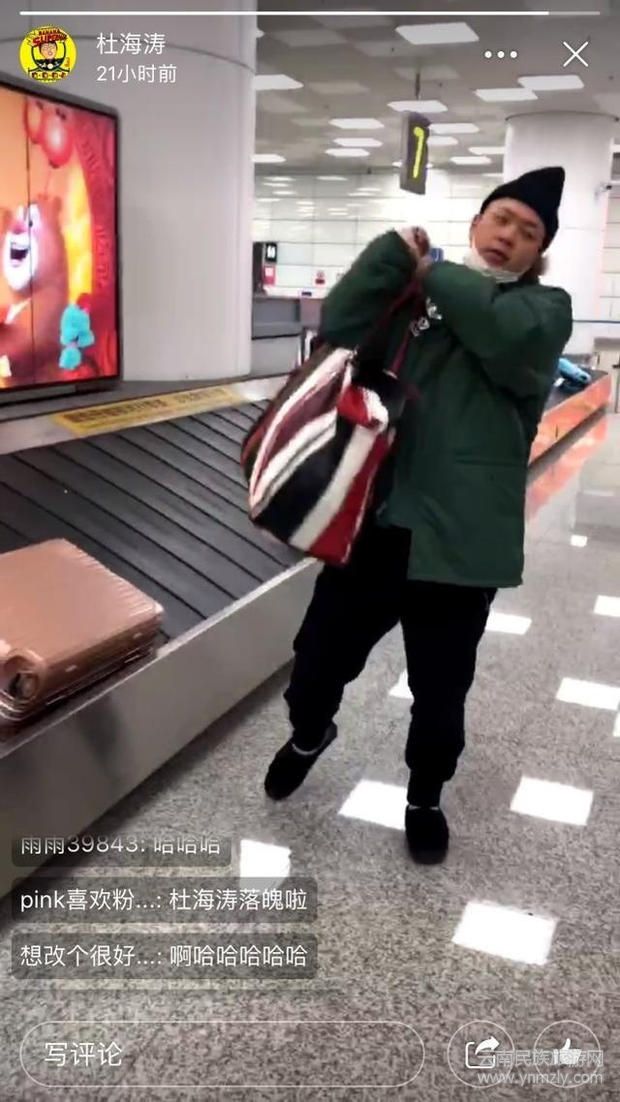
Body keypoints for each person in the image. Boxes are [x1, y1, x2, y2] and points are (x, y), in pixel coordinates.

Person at [263, 166, 573, 864]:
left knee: (439, 694)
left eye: (528, 232)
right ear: (476, 223)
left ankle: (425, 796)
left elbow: (500, 336)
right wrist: (391, 255)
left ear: (538, 252)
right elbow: (341, 330)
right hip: (378, 524)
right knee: (315, 664)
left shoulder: (542, 310)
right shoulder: (420, 299)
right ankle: (310, 734)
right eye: (501, 218)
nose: (509, 236)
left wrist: (430, 270)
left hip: (461, 545)